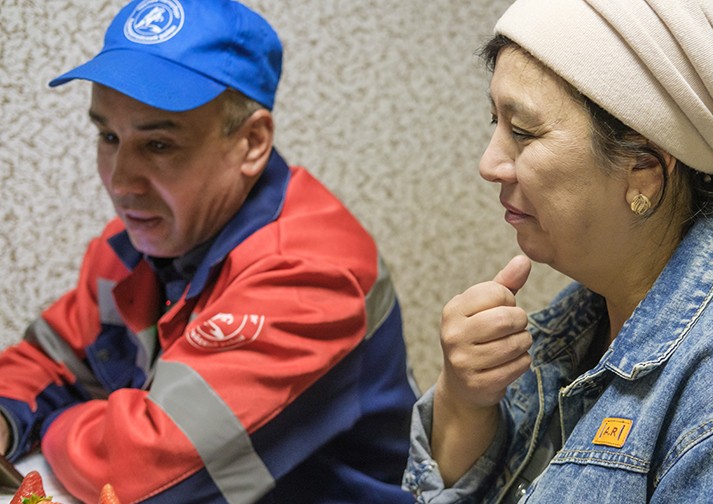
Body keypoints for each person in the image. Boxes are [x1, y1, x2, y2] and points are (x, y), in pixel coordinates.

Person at [403, 0, 713, 502]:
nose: (489, 163)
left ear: (644, 170)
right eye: (494, 122)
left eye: (523, 132)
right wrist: (464, 402)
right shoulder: (591, 312)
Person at [0, 0, 418, 502]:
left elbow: (142, 478)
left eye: (158, 145)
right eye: (109, 136)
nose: (120, 181)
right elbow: (45, 360)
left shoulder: (310, 275)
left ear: (252, 142)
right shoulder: (136, 242)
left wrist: (57, 423)